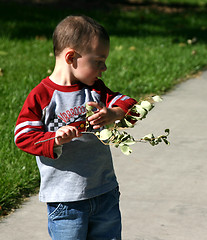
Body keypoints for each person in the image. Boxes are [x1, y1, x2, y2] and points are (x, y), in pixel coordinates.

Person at [14, 15, 136, 240]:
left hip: (104, 192)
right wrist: (55, 138)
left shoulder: (96, 91)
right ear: (71, 57)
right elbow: (23, 136)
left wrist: (113, 113)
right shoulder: (42, 96)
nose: (104, 68)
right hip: (66, 201)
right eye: (99, 61)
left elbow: (130, 104)